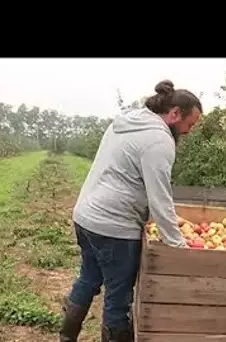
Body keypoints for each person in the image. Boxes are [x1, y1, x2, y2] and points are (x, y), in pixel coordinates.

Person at [59, 80, 203, 342]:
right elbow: (160, 197)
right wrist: (176, 243)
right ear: (174, 114)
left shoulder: (128, 120)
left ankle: (66, 336)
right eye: (189, 125)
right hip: (114, 227)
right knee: (118, 297)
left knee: (89, 277)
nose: (189, 131)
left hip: (86, 215)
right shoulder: (159, 140)